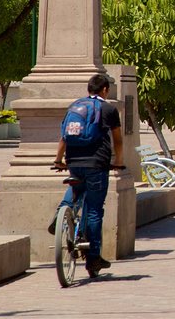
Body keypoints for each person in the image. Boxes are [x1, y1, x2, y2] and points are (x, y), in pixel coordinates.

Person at [50, 73, 124, 276]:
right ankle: (93, 258)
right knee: (94, 211)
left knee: (75, 188)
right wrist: (118, 161)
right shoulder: (108, 109)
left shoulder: (75, 106)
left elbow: (64, 136)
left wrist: (58, 161)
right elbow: (117, 139)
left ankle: (60, 215)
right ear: (105, 90)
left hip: (74, 162)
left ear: (88, 90)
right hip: (97, 164)